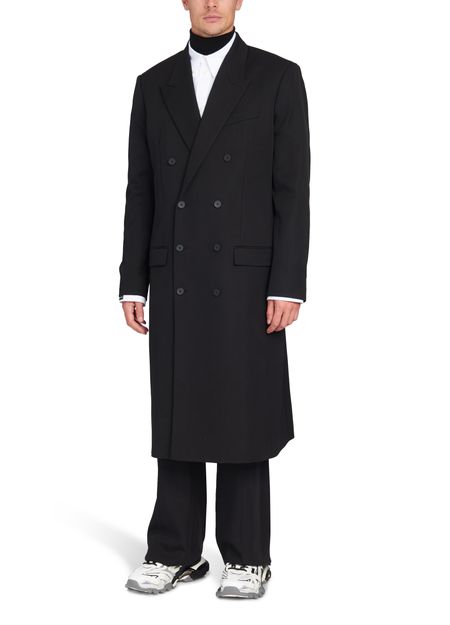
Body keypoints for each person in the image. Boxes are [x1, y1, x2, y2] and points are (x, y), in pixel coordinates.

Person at [118, 0, 310, 599]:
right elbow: (141, 189)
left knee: (243, 412)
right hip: (176, 271)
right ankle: (174, 550)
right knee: (179, 410)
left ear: (238, 1)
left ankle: (248, 556)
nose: (210, 4)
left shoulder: (277, 76)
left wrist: (287, 282)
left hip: (247, 280)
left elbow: (292, 189)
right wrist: (132, 278)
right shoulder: (153, 84)